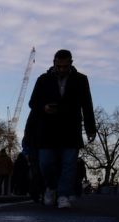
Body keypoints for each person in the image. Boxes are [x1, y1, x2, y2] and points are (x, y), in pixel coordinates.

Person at [28, 49, 97, 208]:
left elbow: (87, 105)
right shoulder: (43, 79)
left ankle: (63, 194)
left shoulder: (81, 80)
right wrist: (44, 108)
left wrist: (90, 128)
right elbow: (33, 103)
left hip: (70, 129)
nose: (62, 70)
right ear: (54, 63)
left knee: (69, 164)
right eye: (59, 66)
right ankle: (51, 187)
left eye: (65, 66)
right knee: (45, 163)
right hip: (47, 130)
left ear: (71, 64)